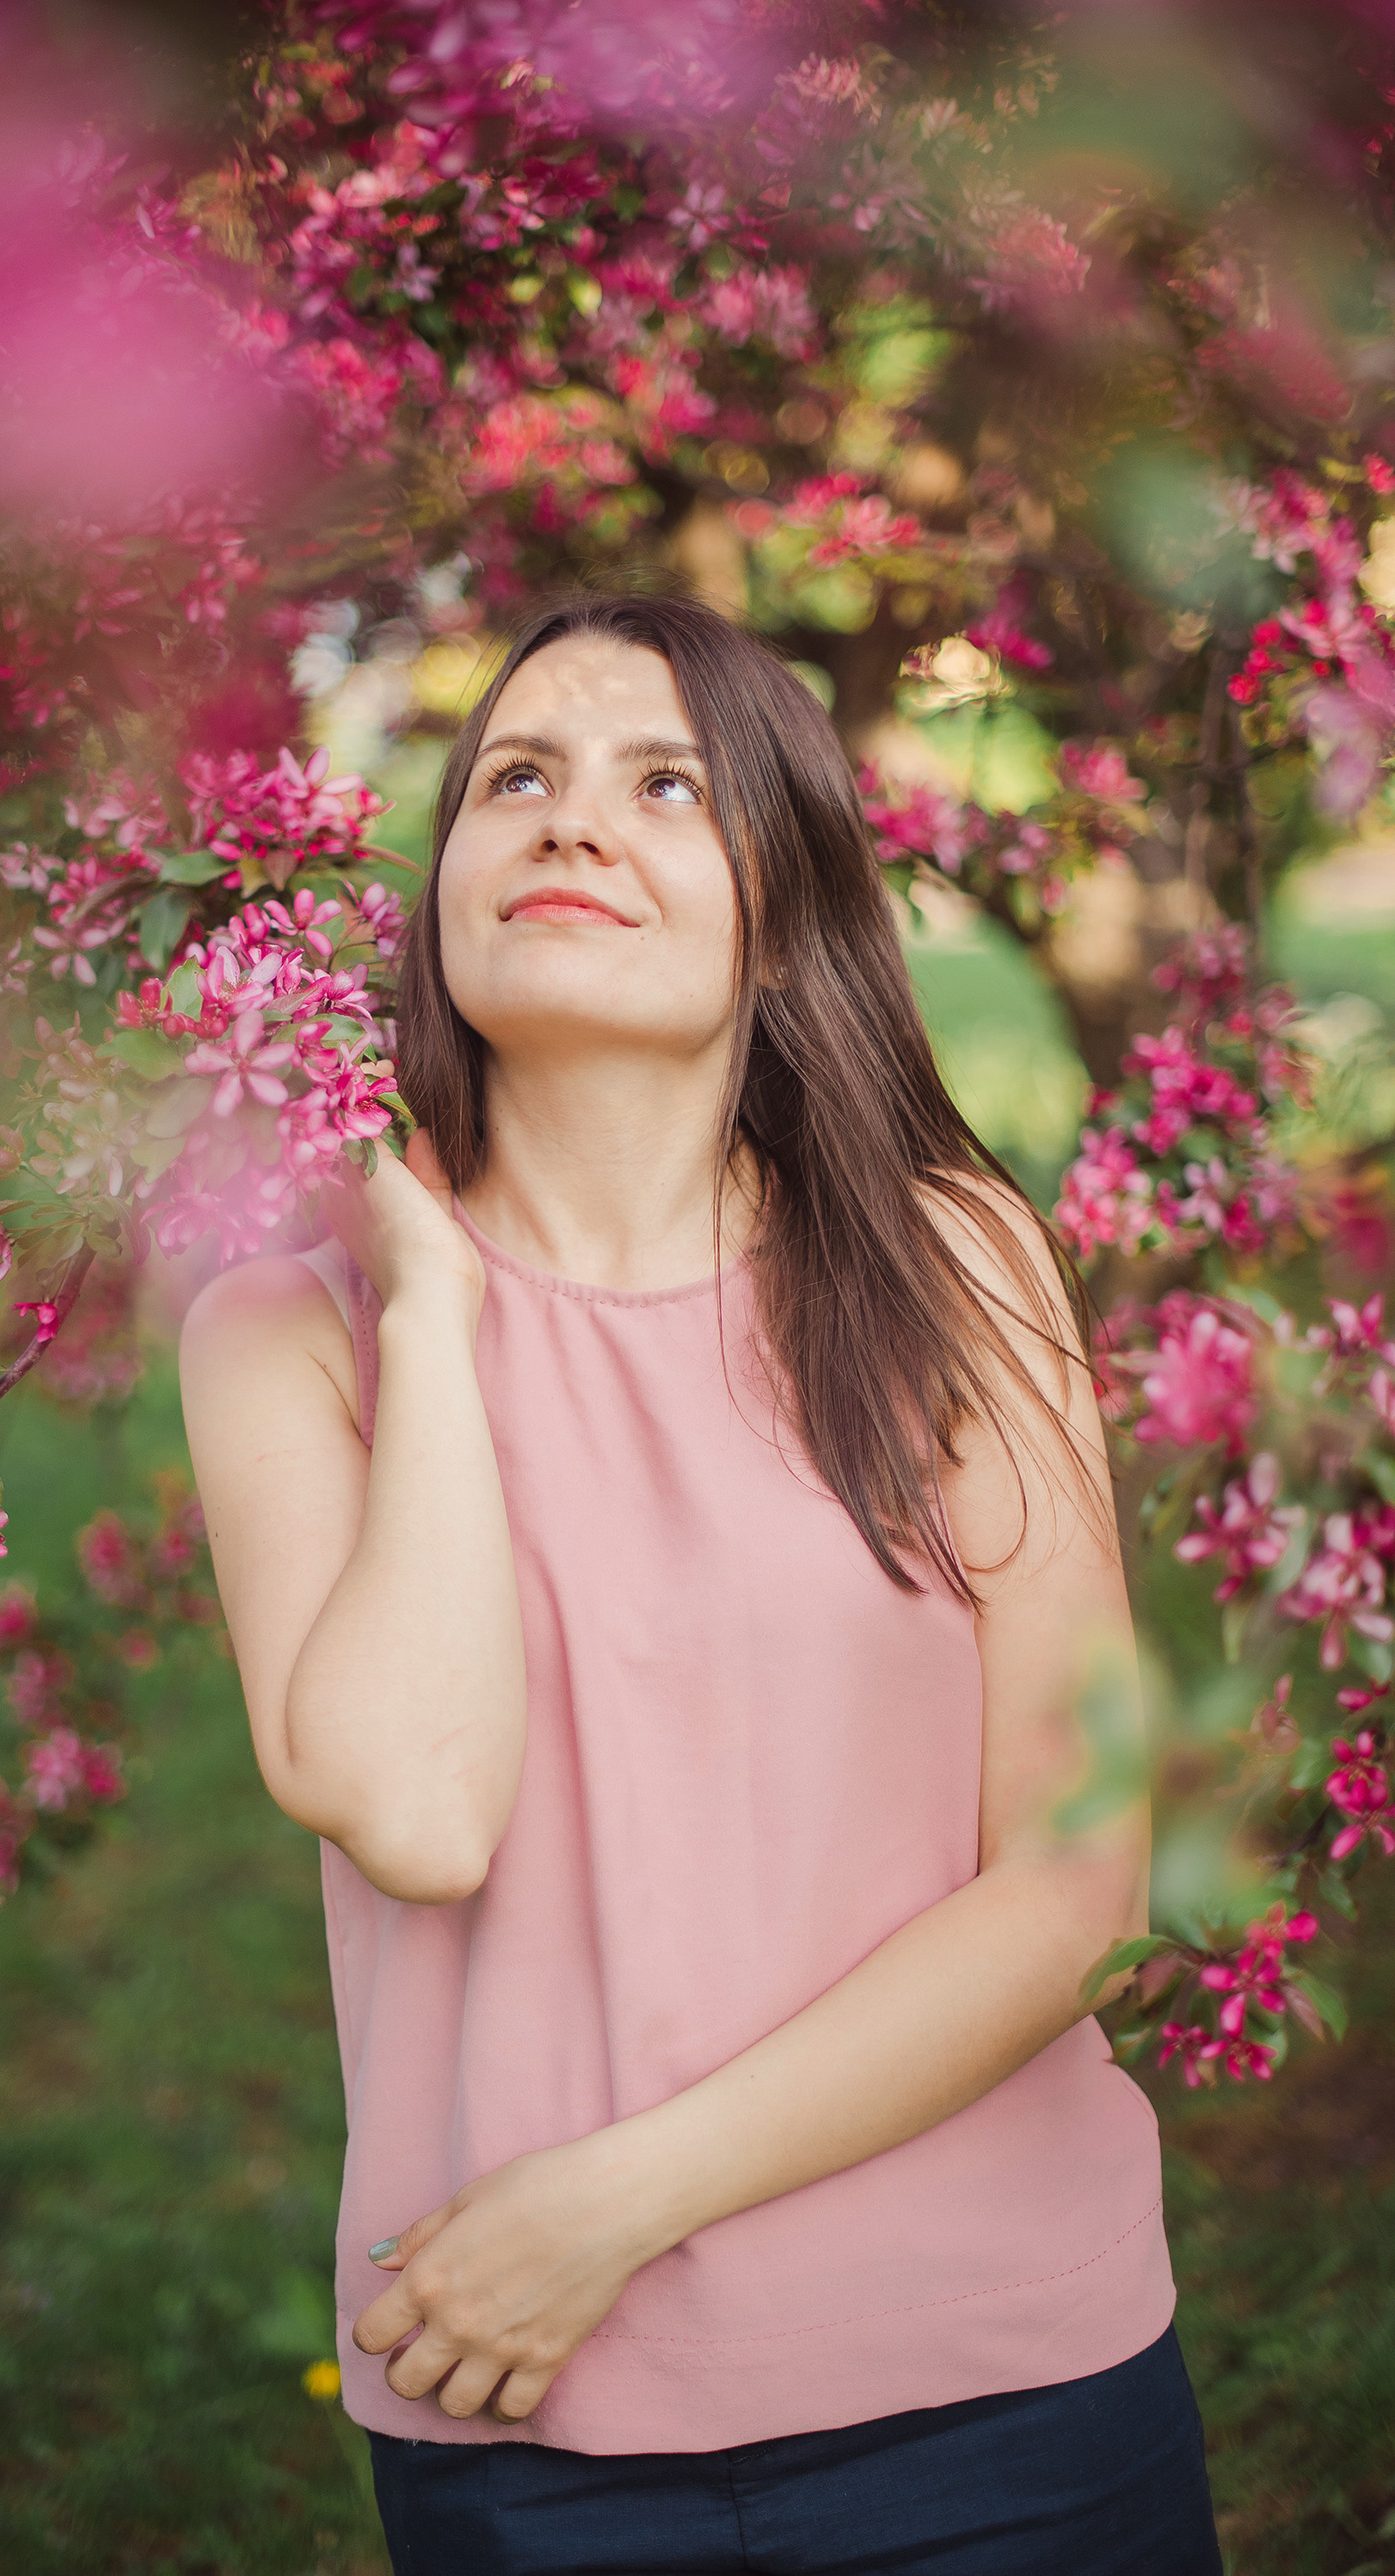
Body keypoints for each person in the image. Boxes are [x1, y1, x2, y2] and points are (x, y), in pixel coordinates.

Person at [179, 592, 1222, 2575]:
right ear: (441, 895)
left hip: (1002, 2384)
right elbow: (419, 1801)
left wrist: (608, 2208)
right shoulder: (288, 1337)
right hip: (522, 2425)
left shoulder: (952, 1259)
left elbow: (1075, 1872)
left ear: (780, 901)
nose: (572, 823)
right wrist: (435, 1308)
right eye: (517, 780)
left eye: (662, 782)